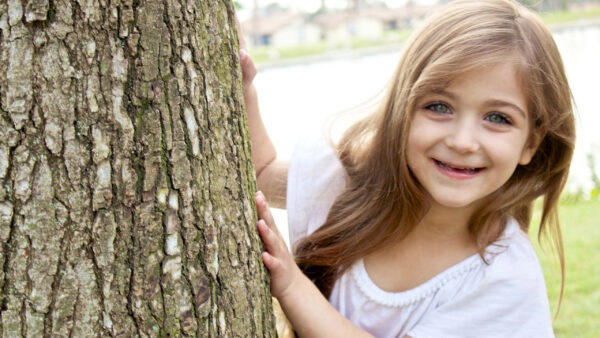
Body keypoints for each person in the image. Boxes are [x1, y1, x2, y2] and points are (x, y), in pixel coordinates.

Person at [239, 0, 575, 336]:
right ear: (403, 108)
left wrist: (292, 286)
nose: (462, 141)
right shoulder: (345, 182)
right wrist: (243, 89)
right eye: (439, 106)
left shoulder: (504, 278)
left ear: (530, 143)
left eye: (497, 118)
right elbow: (259, 174)